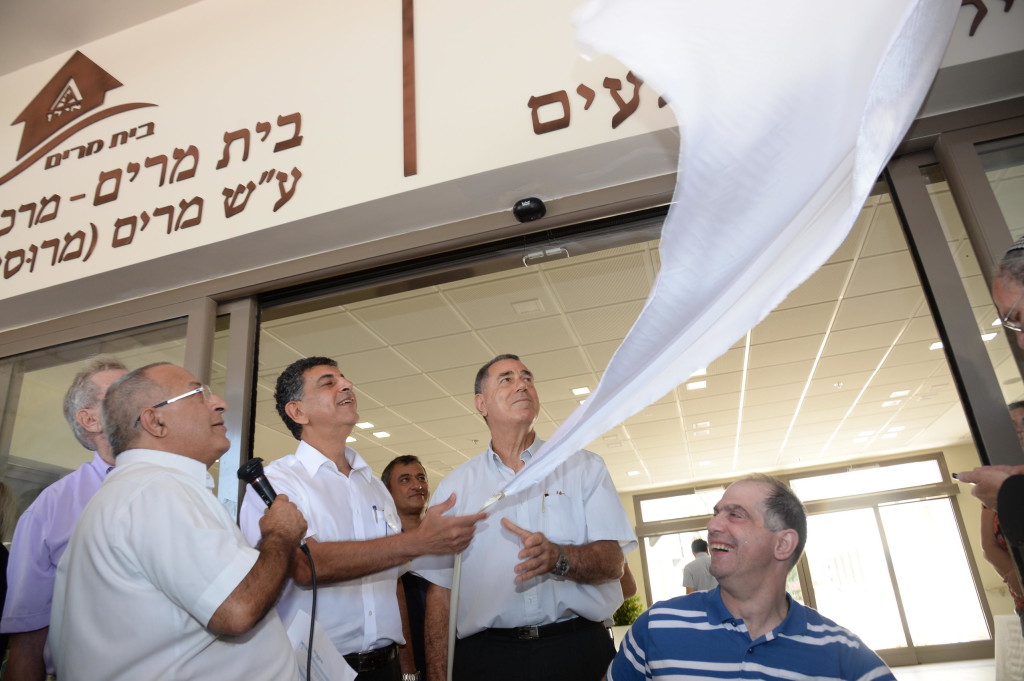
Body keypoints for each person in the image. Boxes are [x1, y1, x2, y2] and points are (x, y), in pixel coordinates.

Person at [49, 362, 307, 681]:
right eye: (199, 394)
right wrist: (280, 535)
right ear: (155, 421)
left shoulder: (137, 490)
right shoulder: (157, 490)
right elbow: (237, 610)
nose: (219, 403)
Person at [239, 357, 484, 681]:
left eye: (344, 379)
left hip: (388, 666)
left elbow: (391, 580)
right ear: (298, 411)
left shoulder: (374, 488)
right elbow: (305, 565)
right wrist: (419, 540)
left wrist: (408, 669)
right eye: (328, 382)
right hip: (315, 670)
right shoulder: (276, 484)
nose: (346, 385)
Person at [420, 353, 637, 681]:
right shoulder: (456, 488)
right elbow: (440, 594)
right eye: (506, 379)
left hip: (578, 651)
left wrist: (559, 558)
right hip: (487, 659)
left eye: (527, 377)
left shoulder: (583, 467)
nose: (522, 384)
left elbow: (612, 563)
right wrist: (437, 677)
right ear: (481, 403)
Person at [606, 474, 895, 681]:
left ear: (782, 545)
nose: (712, 525)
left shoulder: (844, 657)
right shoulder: (656, 627)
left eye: (735, 515)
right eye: (716, 513)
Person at [1, 357, 127, 681]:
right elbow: (27, 644)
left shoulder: (181, 486)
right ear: (90, 420)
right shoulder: (50, 511)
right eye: (124, 392)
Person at [382, 455, 432, 675]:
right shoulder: (382, 548)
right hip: (406, 662)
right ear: (388, 492)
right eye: (405, 480)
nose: (417, 485)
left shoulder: (448, 541)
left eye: (421, 477)